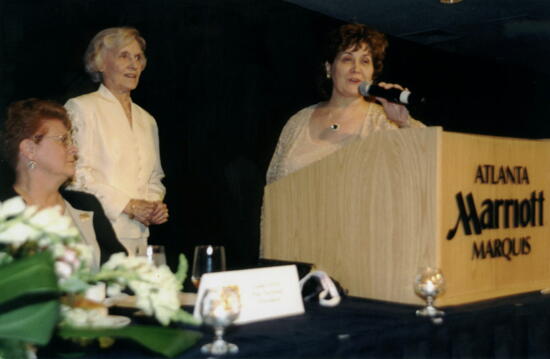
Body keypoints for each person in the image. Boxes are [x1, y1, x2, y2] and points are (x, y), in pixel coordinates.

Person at [266, 24, 425, 184]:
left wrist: (403, 122)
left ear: (372, 73)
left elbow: (429, 160)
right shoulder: (298, 121)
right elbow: (272, 187)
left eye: (365, 61)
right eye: (347, 59)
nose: (356, 68)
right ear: (329, 68)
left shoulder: (383, 123)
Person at [65, 27, 168, 256]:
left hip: (140, 238)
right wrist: (129, 206)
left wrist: (152, 206)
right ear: (99, 63)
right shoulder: (81, 107)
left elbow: (155, 177)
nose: (134, 64)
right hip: (96, 235)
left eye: (138, 57)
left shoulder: (147, 120)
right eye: (124, 56)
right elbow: (75, 176)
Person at [0, 98, 127, 269]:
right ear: (30, 149)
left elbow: (124, 276)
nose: (74, 149)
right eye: (63, 140)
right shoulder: (4, 214)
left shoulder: (85, 205)